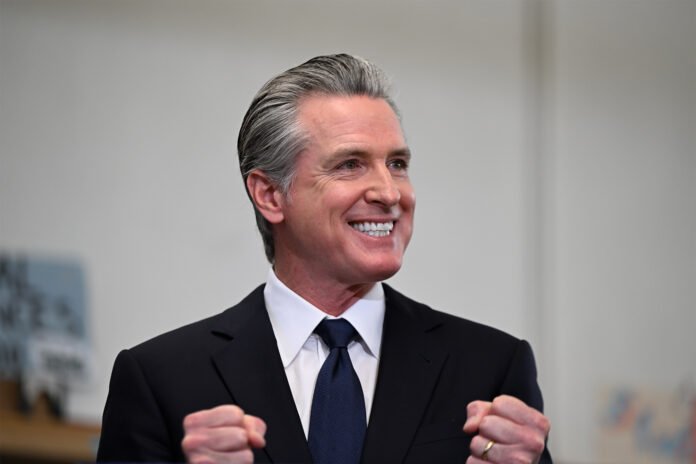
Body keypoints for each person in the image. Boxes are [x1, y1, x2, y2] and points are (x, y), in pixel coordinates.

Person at [97, 54, 552, 463]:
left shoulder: (491, 368)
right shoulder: (162, 379)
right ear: (270, 195)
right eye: (350, 164)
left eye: (397, 164)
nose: (389, 192)